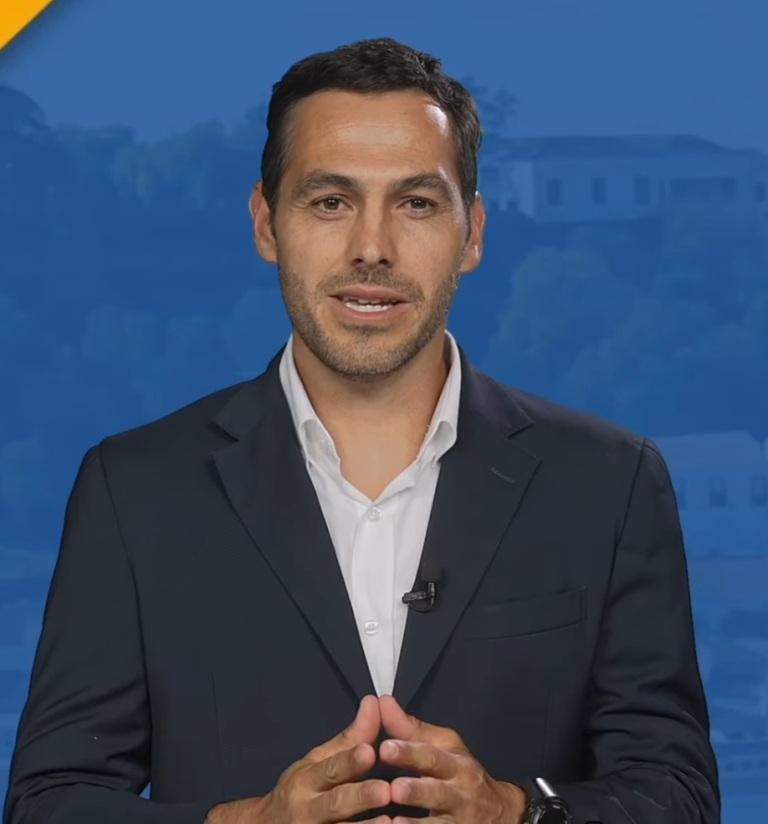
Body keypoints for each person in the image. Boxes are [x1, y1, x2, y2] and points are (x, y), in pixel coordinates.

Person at [3, 37, 719, 824]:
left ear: (473, 233)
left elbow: (678, 795)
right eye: (330, 202)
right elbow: (47, 804)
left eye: (416, 203)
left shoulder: (611, 482)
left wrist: (517, 813)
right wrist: (245, 823)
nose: (371, 248)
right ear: (266, 224)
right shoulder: (134, 489)